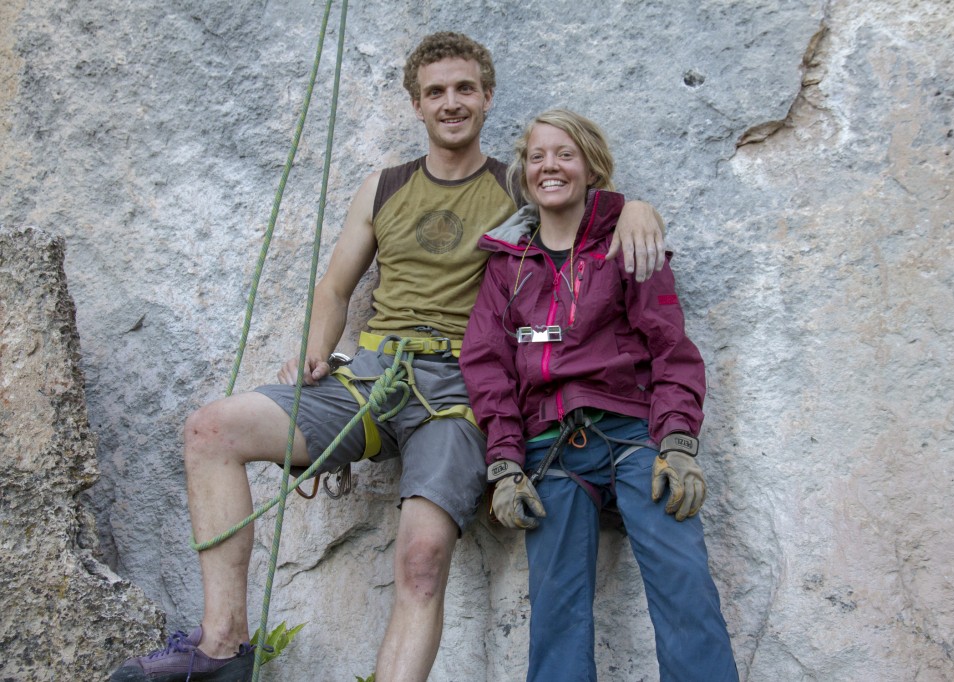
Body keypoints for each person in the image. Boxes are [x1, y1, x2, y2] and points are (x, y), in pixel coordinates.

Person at [110, 34, 666, 682]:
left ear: (487, 97)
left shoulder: (517, 186)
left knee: (423, 557)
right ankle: (222, 647)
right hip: (373, 373)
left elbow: (588, 214)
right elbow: (336, 287)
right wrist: (317, 353)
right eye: (435, 92)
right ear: (416, 104)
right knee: (210, 430)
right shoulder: (385, 187)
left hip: (464, 389)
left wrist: (639, 210)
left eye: (464, 89)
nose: (450, 103)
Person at [459, 109, 739, 681]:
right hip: (552, 452)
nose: (549, 167)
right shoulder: (506, 264)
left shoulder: (629, 241)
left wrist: (680, 442)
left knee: (684, 583)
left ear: (591, 166)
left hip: (636, 438)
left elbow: (670, 345)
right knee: (556, 611)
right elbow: (487, 366)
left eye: (564, 154)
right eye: (537, 156)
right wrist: (506, 464)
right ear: (524, 172)